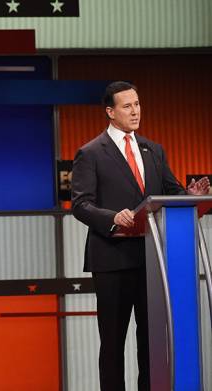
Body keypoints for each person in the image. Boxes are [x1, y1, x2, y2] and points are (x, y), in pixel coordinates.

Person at [71, 81, 210, 390]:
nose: (135, 111)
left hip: (151, 259)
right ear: (110, 112)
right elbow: (80, 205)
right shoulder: (91, 153)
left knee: (151, 340)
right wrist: (112, 218)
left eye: (137, 104)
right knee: (112, 344)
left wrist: (189, 195)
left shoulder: (153, 150)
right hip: (111, 260)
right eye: (127, 106)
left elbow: (171, 193)